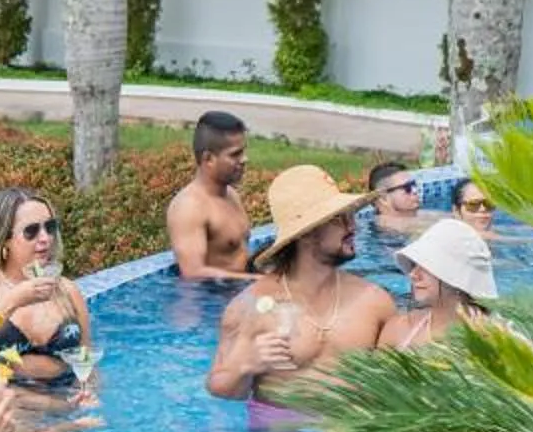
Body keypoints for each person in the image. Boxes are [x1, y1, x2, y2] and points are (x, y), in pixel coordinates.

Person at [206, 165, 397, 414]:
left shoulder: (375, 302)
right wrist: (245, 364)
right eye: (338, 218)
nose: (353, 226)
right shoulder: (250, 307)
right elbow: (222, 388)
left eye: (350, 215)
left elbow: (398, 385)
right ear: (306, 234)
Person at [0, 188, 95, 394]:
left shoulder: (67, 291)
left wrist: (88, 395)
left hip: (68, 403)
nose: (45, 238)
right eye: (31, 231)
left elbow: (88, 362)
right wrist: (13, 300)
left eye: (50, 227)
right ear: (5, 239)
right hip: (10, 406)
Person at [382, 217, 498, 350]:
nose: (413, 274)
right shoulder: (398, 331)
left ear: (457, 276)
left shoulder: (497, 341)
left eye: (427, 265)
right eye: (414, 264)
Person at [167, 111, 252, 278]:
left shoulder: (231, 195)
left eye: (243, 152)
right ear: (208, 159)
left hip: (240, 289)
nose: (244, 159)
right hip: (215, 294)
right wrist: (260, 282)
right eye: (235, 154)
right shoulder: (189, 207)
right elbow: (193, 273)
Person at [365, 161, 422, 261]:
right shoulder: (388, 242)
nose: (415, 191)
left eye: (414, 185)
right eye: (407, 188)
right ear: (383, 198)